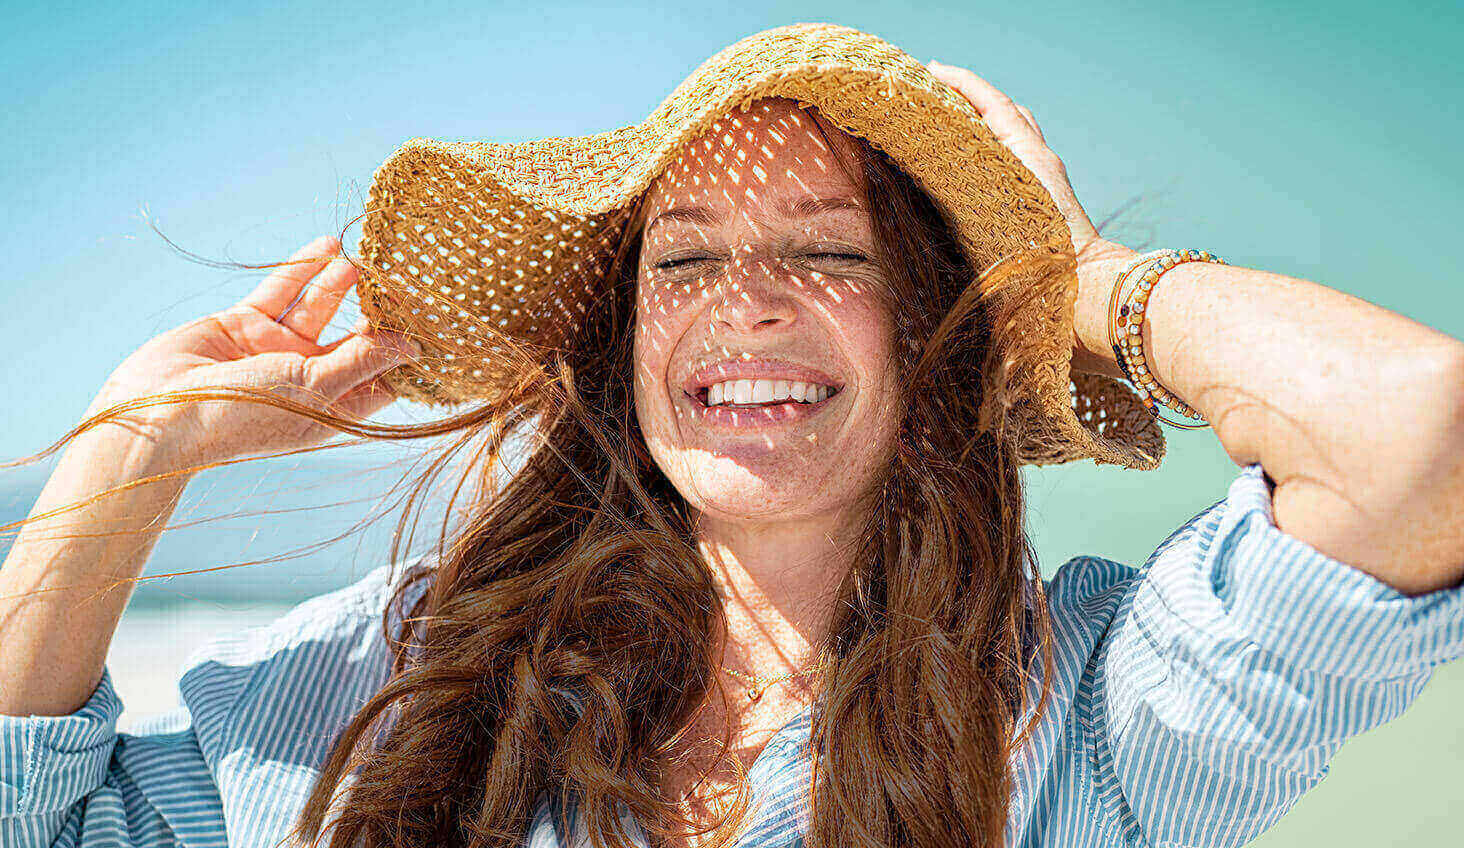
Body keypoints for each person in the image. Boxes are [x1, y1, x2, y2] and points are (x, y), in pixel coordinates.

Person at [2, 27, 1463, 848]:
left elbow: (1417, 434)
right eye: (684, 262)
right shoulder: (407, 680)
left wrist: (1076, 284)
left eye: (830, 257)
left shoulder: (1089, 715)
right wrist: (131, 461)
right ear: (622, 349)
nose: (747, 307)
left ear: (928, 339)